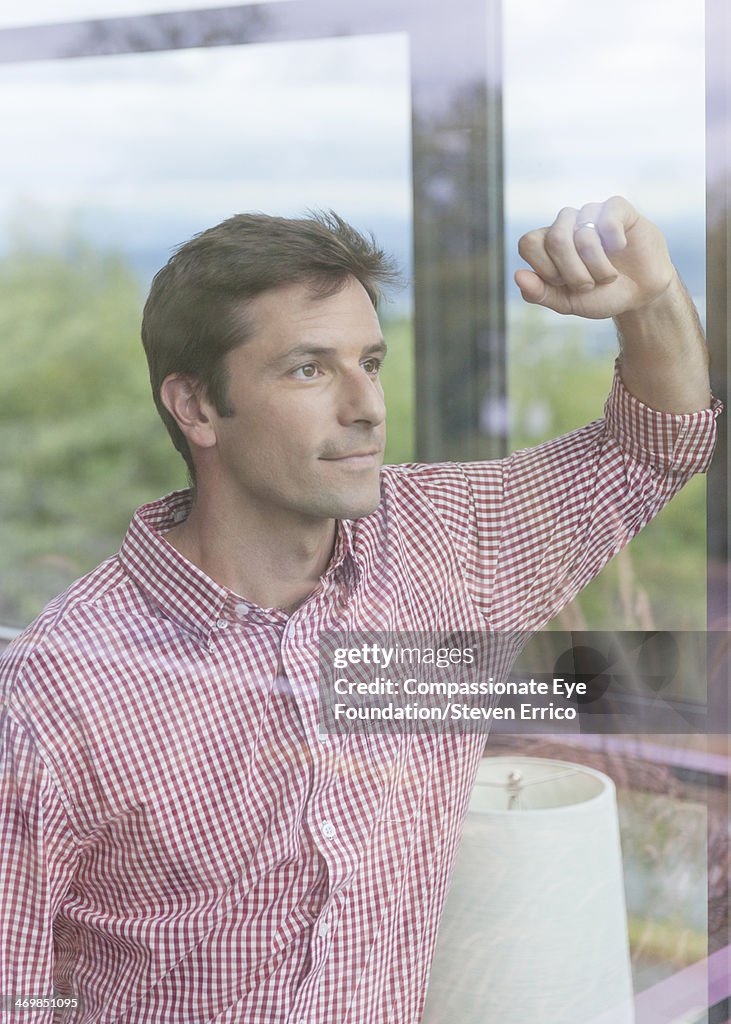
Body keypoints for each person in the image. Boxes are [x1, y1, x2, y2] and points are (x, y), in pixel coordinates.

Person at [0, 197, 720, 1023]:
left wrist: (653, 295)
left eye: (369, 363)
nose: (366, 406)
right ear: (195, 406)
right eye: (309, 368)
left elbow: (654, 446)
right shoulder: (54, 688)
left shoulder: (444, 546)